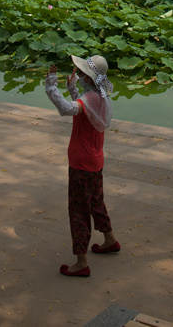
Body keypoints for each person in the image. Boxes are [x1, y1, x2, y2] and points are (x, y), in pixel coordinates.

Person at [45, 53, 119, 278]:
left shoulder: (90, 100)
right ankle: (109, 239)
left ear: (89, 77)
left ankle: (81, 261)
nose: (82, 76)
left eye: (84, 74)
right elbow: (85, 109)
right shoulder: (102, 95)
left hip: (81, 162)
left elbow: (68, 109)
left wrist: (51, 85)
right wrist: (72, 89)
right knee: (96, 201)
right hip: (95, 161)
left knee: (78, 210)